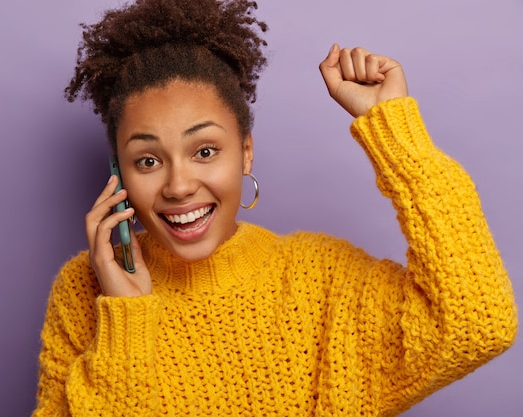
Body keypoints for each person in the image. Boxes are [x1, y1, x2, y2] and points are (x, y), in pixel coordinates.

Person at [31, 0, 517, 416]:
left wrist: (393, 132)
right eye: (148, 160)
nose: (179, 185)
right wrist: (127, 320)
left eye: (205, 151)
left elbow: (477, 321)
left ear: (245, 151)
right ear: (119, 174)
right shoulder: (84, 292)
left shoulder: (318, 280)